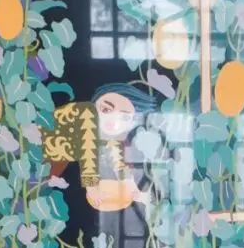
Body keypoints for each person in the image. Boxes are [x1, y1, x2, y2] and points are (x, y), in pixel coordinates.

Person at [39, 82, 156, 211]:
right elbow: (87, 154)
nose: (112, 119)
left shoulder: (111, 132)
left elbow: (118, 163)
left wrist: (136, 193)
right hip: (37, 147)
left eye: (123, 117)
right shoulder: (87, 114)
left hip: (57, 157)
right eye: (106, 110)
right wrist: (92, 189)